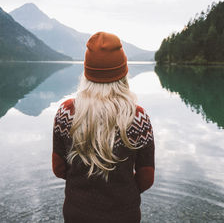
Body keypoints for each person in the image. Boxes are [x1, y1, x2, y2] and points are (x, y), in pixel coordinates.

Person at [52, 31, 155, 223]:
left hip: (77, 213)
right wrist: (121, 187)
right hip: (124, 215)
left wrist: (84, 185)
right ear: (123, 73)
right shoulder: (137, 117)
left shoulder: (66, 112)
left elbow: (59, 168)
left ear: (86, 72)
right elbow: (146, 178)